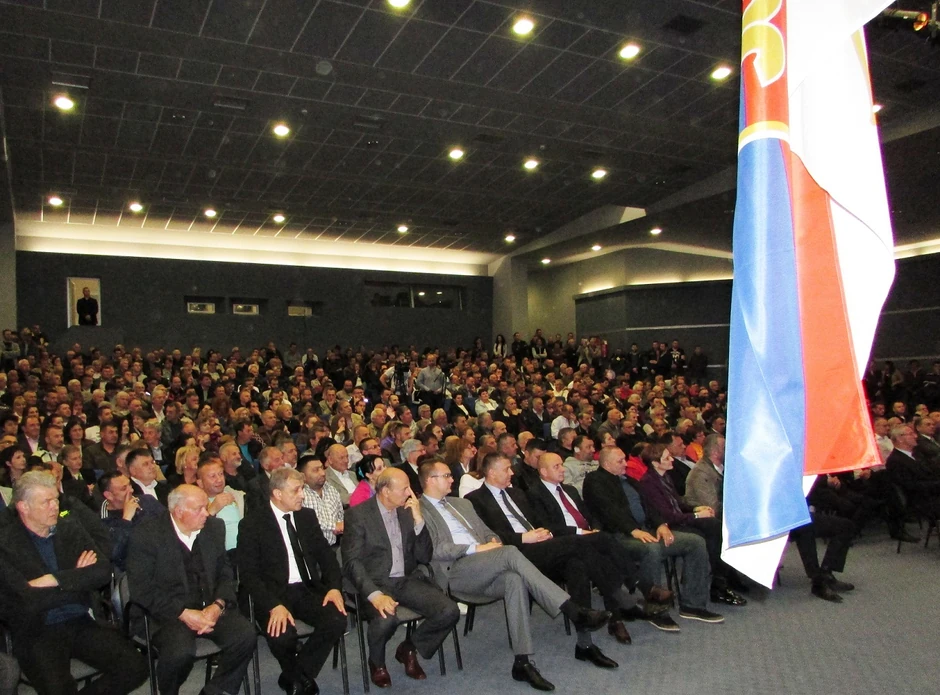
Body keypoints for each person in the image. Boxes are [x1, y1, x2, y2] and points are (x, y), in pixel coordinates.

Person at [420, 460, 615, 689]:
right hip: (455, 571)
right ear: (430, 480)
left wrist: (491, 542)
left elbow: (488, 533)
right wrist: (477, 548)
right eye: (446, 475)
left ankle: (523, 662)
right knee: (511, 552)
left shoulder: (461, 504)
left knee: (517, 578)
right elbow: (434, 549)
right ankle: (573, 610)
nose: (452, 479)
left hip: (487, 562)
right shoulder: (419, 510)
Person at [0, 471, 148, 695]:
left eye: (55, 499)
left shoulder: (68, 528)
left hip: (81, 619)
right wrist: (77, 579)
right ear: (23, 507)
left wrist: (55, 579)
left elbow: (102, 571)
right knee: (58, 689)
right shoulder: (5, 543)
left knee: (135, 667)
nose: (55, 507)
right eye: (46, 502)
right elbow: (26, 599)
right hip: (37, 628)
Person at [126, 484, 256, 695]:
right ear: (179, 511)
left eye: (206, 506)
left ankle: (214, 691)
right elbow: (142, 589)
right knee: (180, 653)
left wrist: (218, 605)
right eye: (199, 509)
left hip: (209, 607)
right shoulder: (147, 535)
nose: (206, 513)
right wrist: (183, 613)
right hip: (167, 613)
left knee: (245, 636)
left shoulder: (213, 528)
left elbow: (225, 574)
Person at [342, 468, 460, 688]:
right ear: (386, 491)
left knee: (449, 611)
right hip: (373, 582)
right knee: (386, 619)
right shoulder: (358, 515)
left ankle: (409, 648)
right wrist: (375, 595)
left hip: (405, 579)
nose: (410, 493)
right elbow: (351, 562)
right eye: (404, 488)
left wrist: (418, 520)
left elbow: (424, 556)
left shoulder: (406, 511)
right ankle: (377, 662)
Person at [583, 447, 723, 627]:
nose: (626, 464)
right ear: (607, 464)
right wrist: (633, 530)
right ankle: (656, 608)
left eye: (625, 459)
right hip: (618, 536)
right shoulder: (595, 480)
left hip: (646, 531)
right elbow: (608, 511)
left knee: (695, 542)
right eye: (620, 461)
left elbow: (650, 508)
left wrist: (661, 525)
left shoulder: (630, 481)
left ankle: (693, 604)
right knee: (651, 549)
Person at [237, 468, 348, 695]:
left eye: (302, 489)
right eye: (296, 491)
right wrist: (273, 605)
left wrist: (334, 588)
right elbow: (249, 575)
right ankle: (298, 677)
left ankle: (294, 675)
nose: (302, 495)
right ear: (277, 494)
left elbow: (326, 557)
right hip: (271, 594)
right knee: (283, 637)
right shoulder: (253, 523)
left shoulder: (306, 517)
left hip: (306, 588)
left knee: (337, 619)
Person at [98, 470, 166, 570]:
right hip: (134, 569)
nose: (131, 490)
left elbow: (169, 524)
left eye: (129, 485)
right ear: (109, 495)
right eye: (124, 488)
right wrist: (126, 519)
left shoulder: (147, 501)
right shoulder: (102, 520)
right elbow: (113, 554)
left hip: (163, 557)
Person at [297, 455, 344, 546]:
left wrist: (339, 526)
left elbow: (340, 516)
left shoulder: (331, 489)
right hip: (311, 547)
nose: (322, 473)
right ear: (303, 476)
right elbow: (307, 521)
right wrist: (334, 526)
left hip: (335, 544)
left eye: (322, 468)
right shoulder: (300, 494)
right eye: (316, 470)